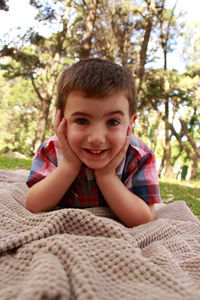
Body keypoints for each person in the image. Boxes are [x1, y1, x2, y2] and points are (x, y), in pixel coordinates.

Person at [26, 58, 161, 227]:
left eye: (113, 122)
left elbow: (143, 219)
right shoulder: (52, 149)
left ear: (130, 123)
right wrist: (69, 165)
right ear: (61, 119)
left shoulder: (140, 156)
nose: (96, 138)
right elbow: (34, 205)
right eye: (82, 121)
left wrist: (107, 176)